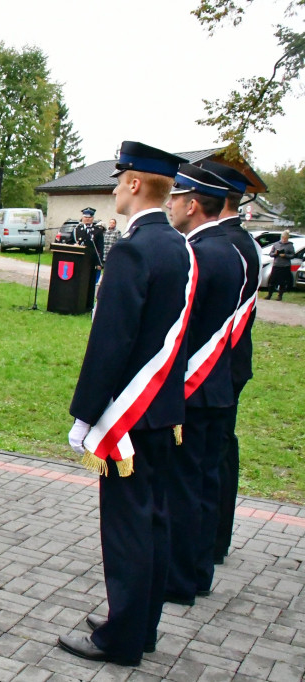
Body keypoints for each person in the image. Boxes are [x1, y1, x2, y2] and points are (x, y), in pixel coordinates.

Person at [59, 142, 192, 667]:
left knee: (127, 528)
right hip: (163, 409)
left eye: (118, 180)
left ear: (135, 184)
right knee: (154, 520)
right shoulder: (179, 246)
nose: (113, 189)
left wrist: (86, 413)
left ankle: (120, 640)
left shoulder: (133, 249)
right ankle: (141, 624)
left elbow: (110, 341)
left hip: (129, 416)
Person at [163, 163, 244, 606]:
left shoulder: (197, 253)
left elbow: (184, 327)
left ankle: (178, 579)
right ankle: (197, 572)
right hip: (217, 385)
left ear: (192, 204)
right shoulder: (228, 249)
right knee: (205, 482)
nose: (171, 204)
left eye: (176, 198)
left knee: (183, 487)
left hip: (193, 384)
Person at [196, 161, 260, 564]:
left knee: (210, 457)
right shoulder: (243, 241)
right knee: (220, 451)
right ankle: (214, 538)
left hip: (215, 364)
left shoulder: (226, 244)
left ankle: (208, 541)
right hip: (230, 362)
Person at [266, 230, 295, 300]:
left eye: (286, 238)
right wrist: (275, 254)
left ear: (288, 238)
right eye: (283, 238)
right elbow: (270, 254)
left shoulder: (290, 245)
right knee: (272, 281)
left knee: (283, 282)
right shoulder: (276, 244)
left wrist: (285, 255)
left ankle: (280, 296)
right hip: (276, 265)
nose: (284, 239)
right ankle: (269, 295)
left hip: (285, 266)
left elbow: (293, 255)